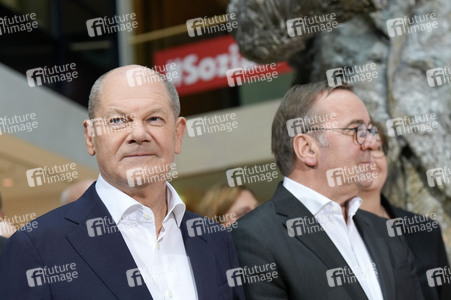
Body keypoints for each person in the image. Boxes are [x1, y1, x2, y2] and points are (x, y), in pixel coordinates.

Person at [0, 65, 245, 300]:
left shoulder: (214, 239)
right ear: (90, 137)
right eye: (117, 121)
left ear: (178, 134)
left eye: (154, 119)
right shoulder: (38, 247)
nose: (138, 134)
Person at [232, 81, 424, 300]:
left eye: (369, 130)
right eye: (356, 130)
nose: (371, 142)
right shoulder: (255, 237)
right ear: (307, 149)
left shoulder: (385, 233)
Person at [359, 122, 451, 300]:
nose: (370, 158)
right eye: (361, 150)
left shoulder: (426, 230)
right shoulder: (333, 231)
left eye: (377, 147)